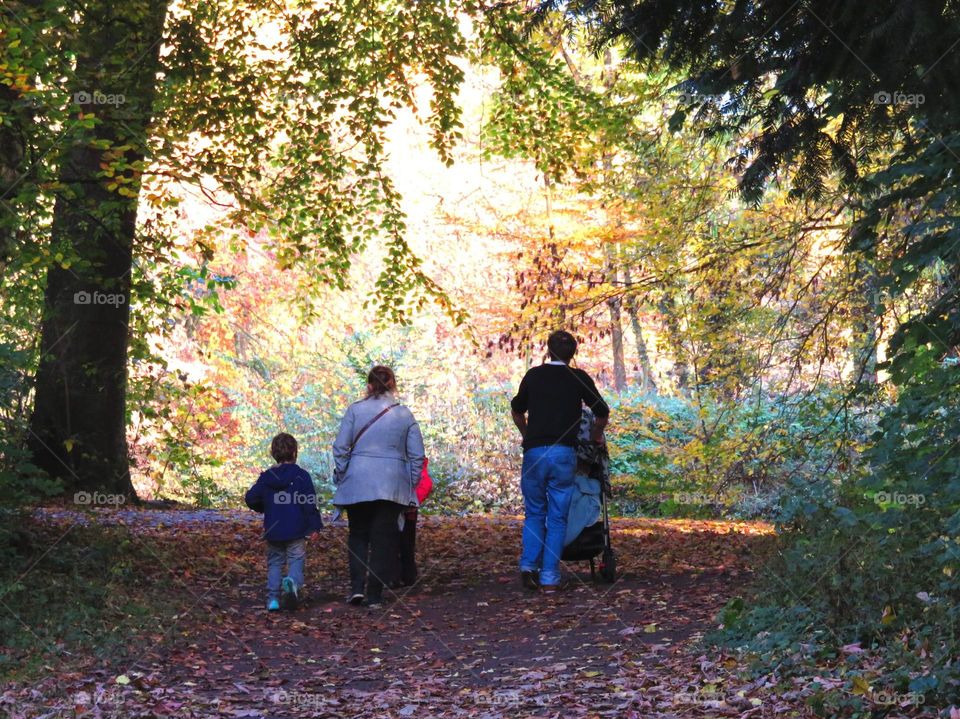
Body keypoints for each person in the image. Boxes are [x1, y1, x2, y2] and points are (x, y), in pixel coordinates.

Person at [511, 330, 609, 593]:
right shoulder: (578, 378)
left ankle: (528, 567)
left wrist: (526, 434)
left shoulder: (533, 376)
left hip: (534, 453)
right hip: (563, 453)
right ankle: (550, 578)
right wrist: (596, 436)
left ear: (548, 350)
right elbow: (602, 412)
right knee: (557, 517)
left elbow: (517, 410)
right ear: (573, 353)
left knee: (534, 512)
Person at [333, 366, 425, 609]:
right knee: (384, 539)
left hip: (358, 481)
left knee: (358, 535)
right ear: (393, 384)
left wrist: (343, 474)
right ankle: (374, 594)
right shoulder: (404, 415)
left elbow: (341, 447)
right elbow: (417, 455)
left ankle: (356, 588)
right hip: (391, 485)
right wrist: (409, 485)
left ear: (369, 385)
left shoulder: (355, 410)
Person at [245, 433, 323, 611]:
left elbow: (251, 498)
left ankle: (273, 599)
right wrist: (314, 526)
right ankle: (292, 583)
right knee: (296, 559)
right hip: (297, 528)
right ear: (295, 452)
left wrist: (265, 506)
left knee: (275, 562)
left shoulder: (267, 477)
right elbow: (309, 503)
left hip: (274, 529)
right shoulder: (302, 476)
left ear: (274, 453)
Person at [395, 457, 433, 588]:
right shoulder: (414, 458)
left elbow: (425, 483)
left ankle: (402, 575)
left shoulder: (412, 458)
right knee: (404, 542)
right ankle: (404, 575)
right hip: (406, 506)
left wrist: (412, 501)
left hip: (404, 507)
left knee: (403, 542)